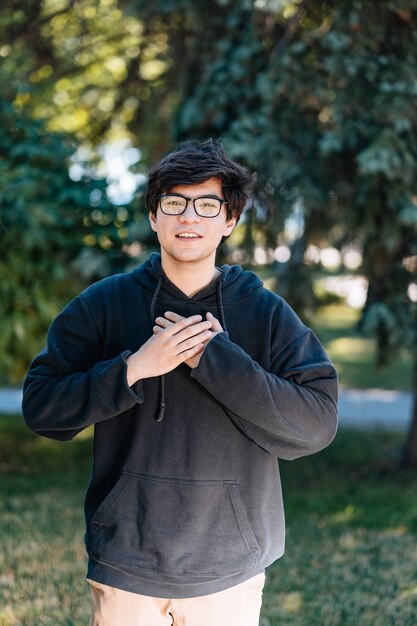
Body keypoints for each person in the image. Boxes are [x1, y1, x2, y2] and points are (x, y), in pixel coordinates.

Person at [22, 138, 338, 626]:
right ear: (154, 216)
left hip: (229, 566)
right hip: (127, 559)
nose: (189, 217)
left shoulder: (266, 314)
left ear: (228, 221)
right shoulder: (104, 305)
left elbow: (316, 423)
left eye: (207, 205)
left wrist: (215, 360)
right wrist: (134, 368)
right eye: (174, 203)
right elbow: (42, 407)